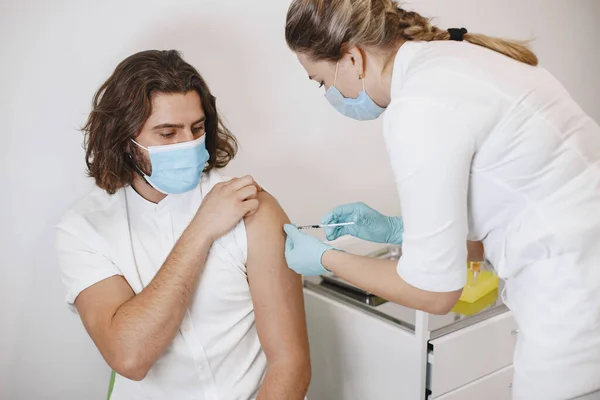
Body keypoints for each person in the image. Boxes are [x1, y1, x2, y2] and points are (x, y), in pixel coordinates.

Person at [282, 1, 600, 399]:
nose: (328, 93)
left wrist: (324, 259)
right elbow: (505, 212)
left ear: (351, 57)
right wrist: (398, 230)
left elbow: (435, 292)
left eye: (320, 81)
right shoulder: (458, 59)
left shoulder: (420, 106)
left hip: (576, 304)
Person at [55, 50, 310, 400]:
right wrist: (201, 229)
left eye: (197, 128)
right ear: (125, 141)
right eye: (167, 133)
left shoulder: (252, 207)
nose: (188, 144)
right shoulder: (83, 229)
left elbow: (290, 363)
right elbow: (129, 355)